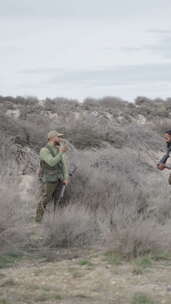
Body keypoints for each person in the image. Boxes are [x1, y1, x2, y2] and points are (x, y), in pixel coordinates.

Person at [35, 130, 69, 222]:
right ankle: (38, 219)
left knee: (58, 200)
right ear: (52, 138)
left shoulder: (58, 149)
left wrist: (66, 178)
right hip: (49, 178)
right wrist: (61, 152)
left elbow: (64, 164)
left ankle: (55, 220)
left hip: (60, 178)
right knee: (46, 198)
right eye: (58, 137)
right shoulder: (44, 150)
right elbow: (51, 163)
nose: (60, 139)